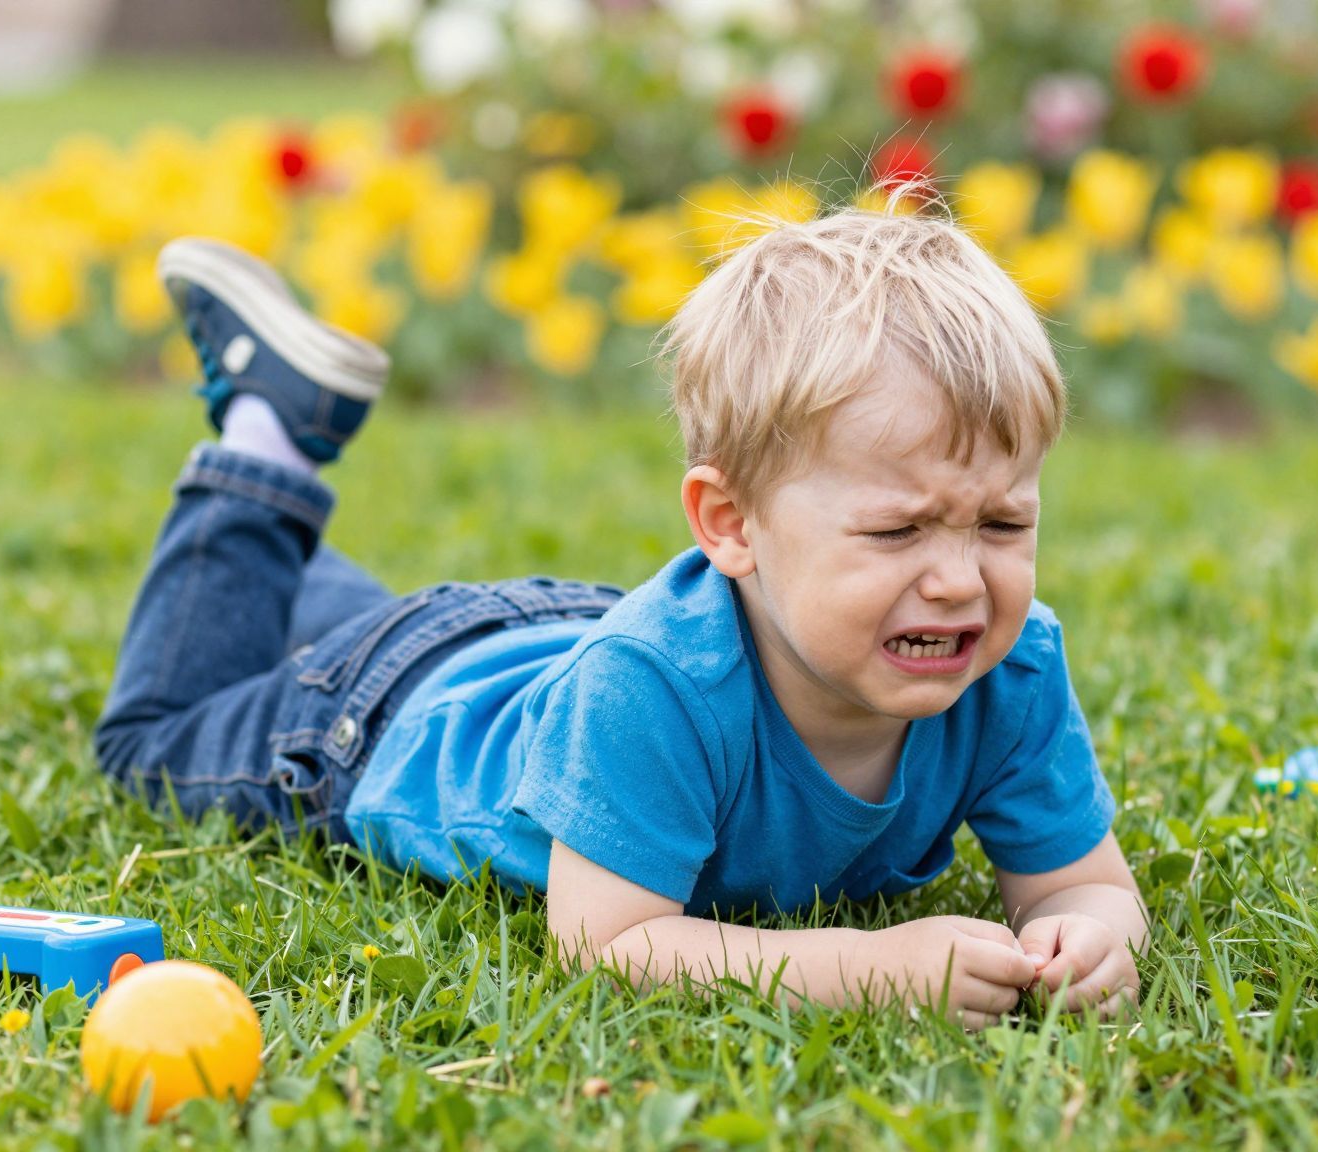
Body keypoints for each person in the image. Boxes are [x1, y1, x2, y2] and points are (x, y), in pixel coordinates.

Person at [95, 200, 1147, 1029]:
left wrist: (1090, 938)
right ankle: (263, 442)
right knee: (154, 740)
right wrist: (875, 966)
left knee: (333, 627)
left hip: (540, 643)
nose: (961, 580)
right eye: (897, 533)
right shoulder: (655, 687)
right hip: (375, 724)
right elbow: (613, 943)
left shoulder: (1008, 672)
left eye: (1001, 524)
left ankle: (284, 573)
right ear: (730, 525)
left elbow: (1082, 888)